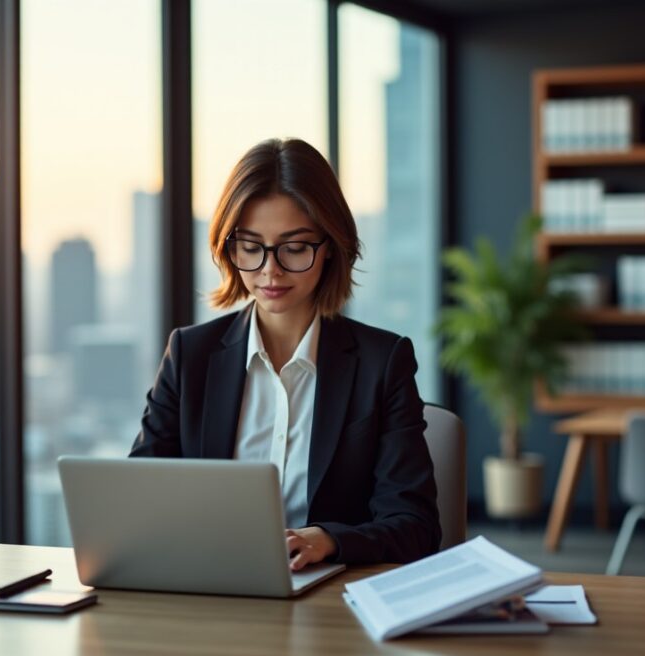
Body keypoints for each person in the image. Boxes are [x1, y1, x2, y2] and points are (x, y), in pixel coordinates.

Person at [131, 138, 440, 569]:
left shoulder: (381, 362)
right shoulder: (190, 355)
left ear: (330, 246)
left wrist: (329, 540)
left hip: (332, 605)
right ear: (229, 247)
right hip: (209, 593)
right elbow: (138, 498)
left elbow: (416, 526)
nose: (270, 270)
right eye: (251, 247)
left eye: (294, 247)